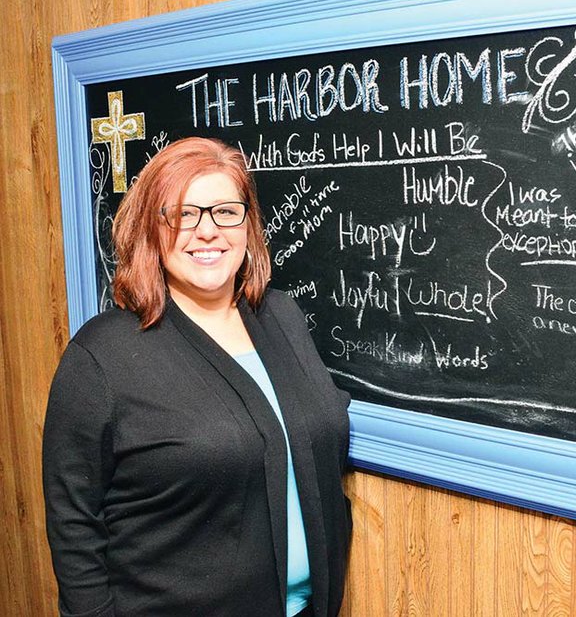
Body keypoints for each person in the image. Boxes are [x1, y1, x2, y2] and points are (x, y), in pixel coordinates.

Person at [43, 137, 352, 617]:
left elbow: (309, 421)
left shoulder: (280, 316)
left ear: (248, 225)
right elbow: (73, 525)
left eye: (226, 212)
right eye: (183, 215)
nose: (207, 232)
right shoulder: (101, 355)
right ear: (152, 229)